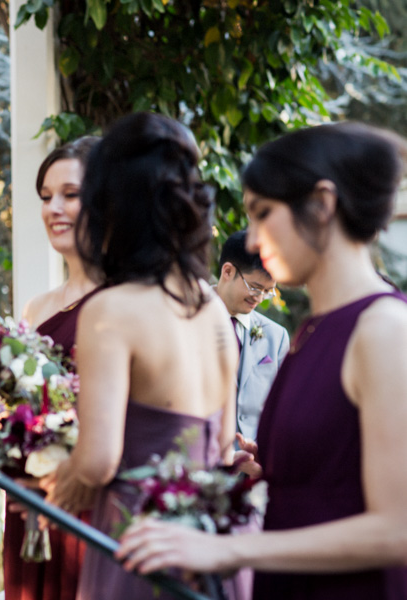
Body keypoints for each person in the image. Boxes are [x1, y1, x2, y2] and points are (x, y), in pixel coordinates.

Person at [116, 122, 407, 599]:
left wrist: (232, 553)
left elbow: (397, 531)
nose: (251, 240)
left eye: (262, 213)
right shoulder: (311, 333)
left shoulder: (384, 329)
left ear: (323, 204)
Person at [42, 112, 240, 599]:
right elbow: (222, 450)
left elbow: (98, 462)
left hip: (138, 542)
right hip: (209, 539)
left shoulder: (112, 310)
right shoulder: (213, 306)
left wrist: (48, 485)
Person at [2, 136, 99, 600]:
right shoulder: (36, 308)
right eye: (45, 197)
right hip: (27, 494)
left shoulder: (127, 302)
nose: (53, 208)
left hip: (87, 497)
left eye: (71, 194)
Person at [214, 230, 289, 441]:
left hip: (253, 460)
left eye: (268, 291)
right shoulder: (189, 320)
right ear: (227, 271)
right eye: (255, 288)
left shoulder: (277, 337)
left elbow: (279, 408)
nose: (260, 298)